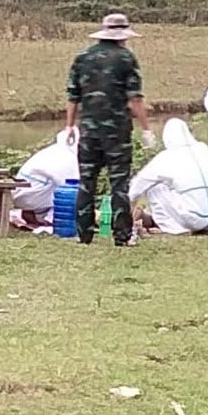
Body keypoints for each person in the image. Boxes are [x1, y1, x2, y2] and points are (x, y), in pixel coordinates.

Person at [65, 13, 155, 247]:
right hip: (117, 133)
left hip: (89, 131)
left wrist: (70, 125)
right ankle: (122, 236)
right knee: (119, 184)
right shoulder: (126, 59)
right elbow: (134, 99)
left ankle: (83, 235)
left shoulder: (83, 58)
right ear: (123, 36)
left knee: (86, 182)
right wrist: (146, 128)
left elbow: (73, 96)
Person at [129, 118, 208, 234]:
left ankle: (169, 226)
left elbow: (136, 187)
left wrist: (128, 212)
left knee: (154, 186)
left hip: (194, 219)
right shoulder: (204, 149)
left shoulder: (167, 156)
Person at [12, 127, 79, 223]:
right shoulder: (67, 158)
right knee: (68, 195)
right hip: (30, 196)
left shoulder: (55, 150)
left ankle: (35, 214)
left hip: (24, 193)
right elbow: (72, 187)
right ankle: (49, 218)